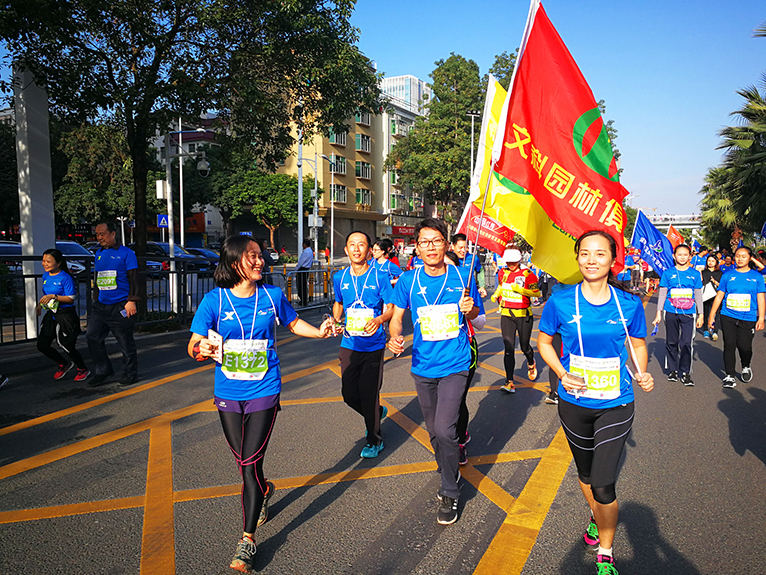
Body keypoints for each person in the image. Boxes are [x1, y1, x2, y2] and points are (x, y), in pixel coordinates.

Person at [188, 235, 333, 572]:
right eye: (251, 256)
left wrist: (320, 332)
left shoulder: (272, 295)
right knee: (244, 461)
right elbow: (194, 344)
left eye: (260, 255)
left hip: (265, 389)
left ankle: (247, 540)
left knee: (249, 463)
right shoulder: (213, 301)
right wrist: (200, 350)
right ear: (233, 262)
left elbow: (293, 323)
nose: (260, 261)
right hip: (228, 392)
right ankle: (265, 489)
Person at [537, 230, 653, 575]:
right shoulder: (560, 301)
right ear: (577, 258)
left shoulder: (628, 303)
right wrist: (561, 373)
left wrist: (642, 372)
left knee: (603, 483)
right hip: (574, 403)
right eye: (585, 253)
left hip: (616, 402)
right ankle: (595, 515)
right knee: (586, 474)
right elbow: (544, 342)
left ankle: (605, 550)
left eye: (600, 254)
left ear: (612, 260)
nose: (591, 260)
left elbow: (638, 345)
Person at [388, 218, 480, 525]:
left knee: (444, 429)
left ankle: (450, 490)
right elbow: (397, 317)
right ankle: (449, 467)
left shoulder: (463, 275)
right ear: (416, 247)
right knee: (433, 432)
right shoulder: (408, 280)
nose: (431, 247)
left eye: (437, 241)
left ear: (446, 245)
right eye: (424, 242)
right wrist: (395, 336)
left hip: (455, 363)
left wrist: (470, 309)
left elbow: (476, 314)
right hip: (423, 366)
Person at [331, 232, 394, 458]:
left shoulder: (380, 276)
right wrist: (335, 321)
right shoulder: (340, 277)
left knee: (369, 394)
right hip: (349, 342)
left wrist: (379, 320)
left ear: (369, 251)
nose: (356, 249)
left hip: (373, 345)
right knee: (349, 394)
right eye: (352, 245)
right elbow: (339, 303)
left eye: (361, 245)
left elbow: (391, 307)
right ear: (346, 250)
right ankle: (376, 412)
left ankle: (374, 440)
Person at [444, 250, 486, 465]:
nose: (444, 270)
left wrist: (468, 311)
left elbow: (481, 322)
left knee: (457, 400)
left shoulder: (465, 288)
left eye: (449, 266)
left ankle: (460, 441)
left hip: (464, 352)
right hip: (436, 355)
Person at [87, 221, 140, 387]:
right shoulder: (99, 253)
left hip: (121, 305)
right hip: (101, 306)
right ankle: (103, 370)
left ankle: (130, 374)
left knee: (125, 342)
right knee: (92, 336)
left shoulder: (126, 253)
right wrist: (96, 298)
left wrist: (132, 301)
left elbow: (134, 278)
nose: (99, 237)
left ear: (113, 234)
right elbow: (98, 277)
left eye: (102, 234)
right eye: (97, 234)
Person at [707, 246, 766, 388]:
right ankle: (730, 375)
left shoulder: (757, 276)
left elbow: (761, 299)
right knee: (729, 345)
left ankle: (746, 365)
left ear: (750, 258)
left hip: (748, 317)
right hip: (728, 315)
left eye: (743, 256)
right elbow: (719, 296)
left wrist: (761, 318)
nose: (740, 259)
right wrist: (712, 315)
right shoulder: (727, 276)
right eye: (737, 256)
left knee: (744, 346)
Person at [490, 247, 541, 393]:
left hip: (523, 315)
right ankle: (509, 382)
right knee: (509, 348)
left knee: (524, 347)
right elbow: (501, 285)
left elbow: (536, 293)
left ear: (519, 260)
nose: (511, 265)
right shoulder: (503, 272)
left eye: (513, 262)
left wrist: (520, 290)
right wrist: (495, 294)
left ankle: (531, 362)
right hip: (507, 314)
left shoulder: (528, 274)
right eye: (508, 262)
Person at [651, 244, 703, 386]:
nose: (682, 257)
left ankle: (685, 372)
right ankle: (673, 370)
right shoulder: (668, 273)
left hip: (689, 313)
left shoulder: (695, 274)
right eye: (679, 254)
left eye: (685, 255)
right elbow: (662, 294)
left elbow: (698, 295)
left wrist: (701, 314)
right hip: (671, 311)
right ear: (674, 256)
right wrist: (658, 313)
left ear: (690, 257)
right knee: (671, 341)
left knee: (686, 342)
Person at [37, 249, 90, 382]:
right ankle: (63, 364)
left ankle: (82, 368)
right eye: (43, 261)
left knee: (65, 344)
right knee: (42, 345)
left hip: (66, 315)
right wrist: (40, 305)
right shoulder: (46, 276)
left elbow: (71, 298)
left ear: (58, 263)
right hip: (52, 314)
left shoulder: (66, 278)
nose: (45, 264)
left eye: (48, 261)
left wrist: (54, 296)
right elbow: (46, 295)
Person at [450, 233, 487, 298]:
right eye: (460, 247)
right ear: (453, 246)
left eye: (466, 247)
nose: (463, 250)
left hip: (471, 294)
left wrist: (482, 286)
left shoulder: (473, 258)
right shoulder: (447, 258)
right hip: (453, 295)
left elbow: (480, 270)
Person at [701, 255, 722, 341]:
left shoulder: (720, 273)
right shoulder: (703, 272)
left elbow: (722, 286)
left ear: (716, 262)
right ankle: (706, 329)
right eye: (709, 261)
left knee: (716, 313)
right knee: (705, 313)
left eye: (713, 261)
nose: (710, 263)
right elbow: (700, 282)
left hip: (716, 296)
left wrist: (715, 282)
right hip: (706, 295)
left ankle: (714, 331)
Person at [295, 239, 313, 306]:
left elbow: (301, 262)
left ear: (304, 244)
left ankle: (303, 300)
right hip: (306, 269)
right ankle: (304, 300)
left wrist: (296, 269)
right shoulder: (310, 251)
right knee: (304, 285)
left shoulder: (306, 252)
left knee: (300, 285)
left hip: (302, 269)